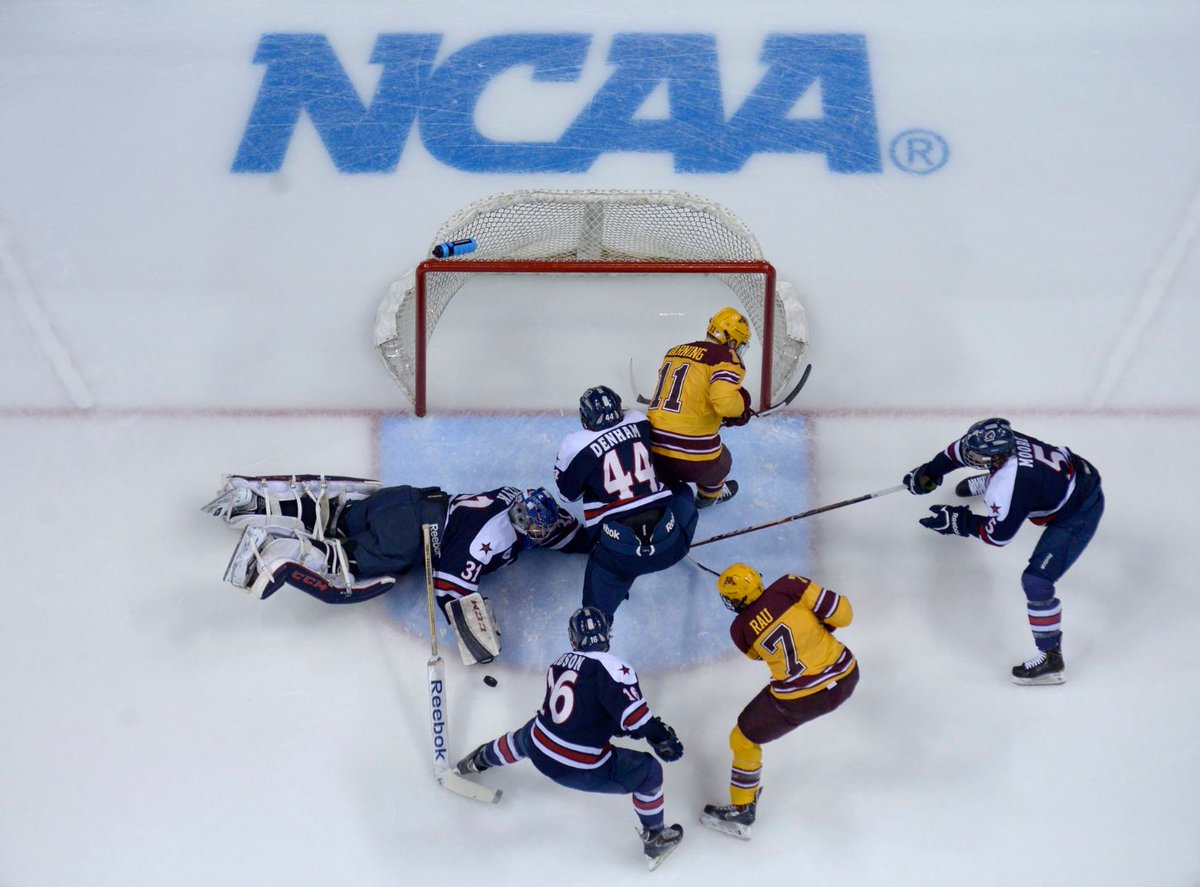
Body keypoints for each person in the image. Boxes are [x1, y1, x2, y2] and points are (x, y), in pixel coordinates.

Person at [202, 475, 589, 664]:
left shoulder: (515, 498)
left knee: (337, 516)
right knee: (346, 565)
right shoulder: (491, 537)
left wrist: (594, 543)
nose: (540, 533)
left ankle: (251, 500)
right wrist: (479, 642)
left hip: (401, 501)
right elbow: (449, 586)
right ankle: (275, 546)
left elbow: (558, 533)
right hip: (410, 538)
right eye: (534, 529)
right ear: (521, 524)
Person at [455, 607, 686, 871]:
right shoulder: (614, 668)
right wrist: (662, 738)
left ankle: (477, 760)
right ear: (607, 633)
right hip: (579, 767)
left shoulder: (560, 661)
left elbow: (578, 712)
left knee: (527, 735)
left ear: (573, 638)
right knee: (650, 773)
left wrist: (617, 725)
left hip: (539, 746)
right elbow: (638, 720)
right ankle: (656, 836)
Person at [903, 417, 1105, 685]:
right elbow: (958, 451)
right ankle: (993, 484)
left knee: (1036, 581)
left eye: (977, 456)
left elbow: (998, 535)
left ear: (997, 460)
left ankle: (1051, 659)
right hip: (1062, 475)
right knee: (1013, 487)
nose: (968, 455)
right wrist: (931, 471)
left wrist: (959, 522)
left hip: (1079, 509)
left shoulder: (1012, 483)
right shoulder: (1002, 439)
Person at [699, 564, 859, 841]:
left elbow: (759, 655)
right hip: (846, 676)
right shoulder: (788, 586)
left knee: (743, 739)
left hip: (803, 700)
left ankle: (742, 807)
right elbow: (844, 615)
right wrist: (820, 622)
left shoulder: (739, 629)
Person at [554, 386, 698, 622]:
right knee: (683, 490)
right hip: (671, 546)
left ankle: (603, 621)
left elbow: (568, 496)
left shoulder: (574, 444)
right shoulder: (639, 420)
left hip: (618, 557)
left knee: (595, 616)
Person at [645, 306, 754, 508]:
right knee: (722, 461)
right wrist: (742, 408)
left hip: (653, 450)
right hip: (694, 460)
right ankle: (707, 497)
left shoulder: (674, 351)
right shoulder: (726, 358)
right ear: (731, 339)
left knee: (665, 467)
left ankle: (661, 493)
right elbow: (724, 403)